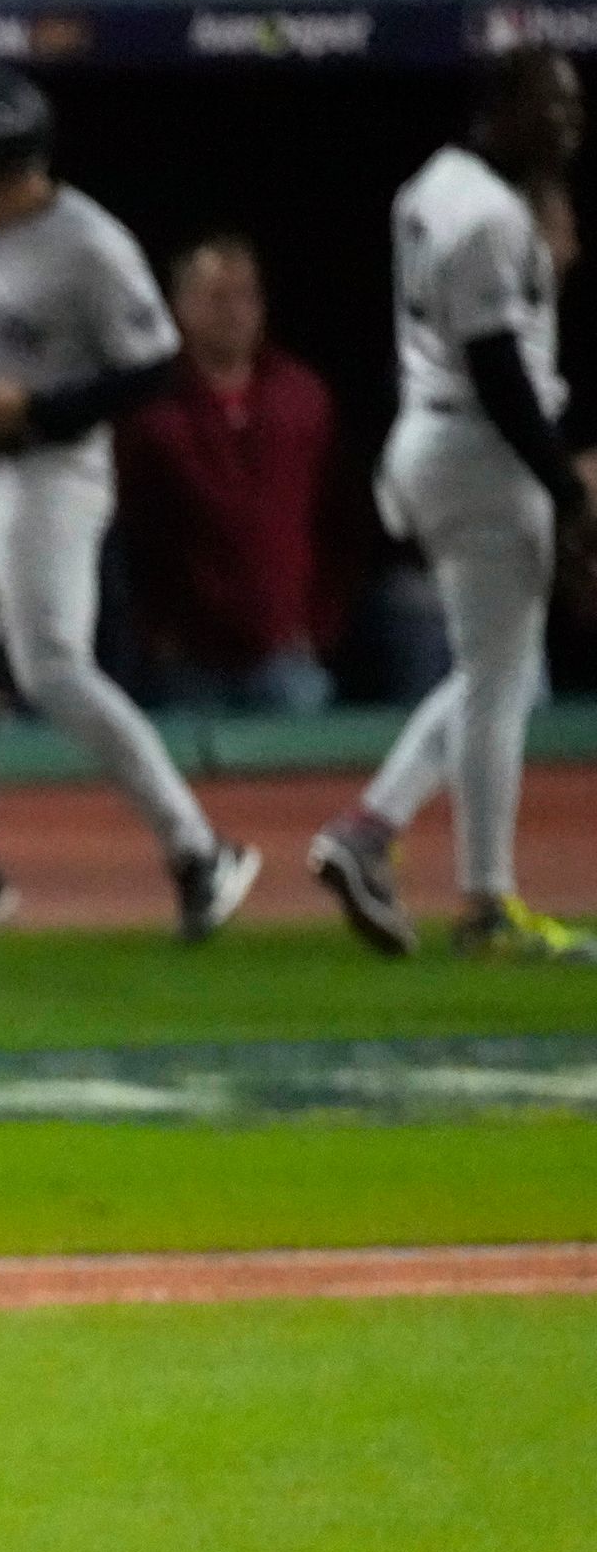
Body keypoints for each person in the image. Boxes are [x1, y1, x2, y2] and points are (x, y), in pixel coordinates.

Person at [0, 65, 260, 942]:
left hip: (58, 474)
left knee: (53, 672)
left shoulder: (89, 244)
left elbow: (156, 367)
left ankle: (201, 851)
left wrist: (40, 412)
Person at [312, 50, 597, 963]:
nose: (569, 121)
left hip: (434, 438)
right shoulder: (487, 214)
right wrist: (565, 490)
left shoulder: (438, 182)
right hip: (481, 454)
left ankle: (372, 835)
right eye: (550, 103)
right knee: (495, 683)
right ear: (503, 107)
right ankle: (480, 900)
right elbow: (500, 370)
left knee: (493, 674)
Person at [114, 236, 343, 713]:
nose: (235, 311)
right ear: (179, 307)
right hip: (183, 666)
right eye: (217, 297)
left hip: (286, 659)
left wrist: (316, 623)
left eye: (247, 295)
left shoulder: (302, 397)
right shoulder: (148, 409)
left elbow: (341, 517)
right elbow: (125, 528)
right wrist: (152, 629)